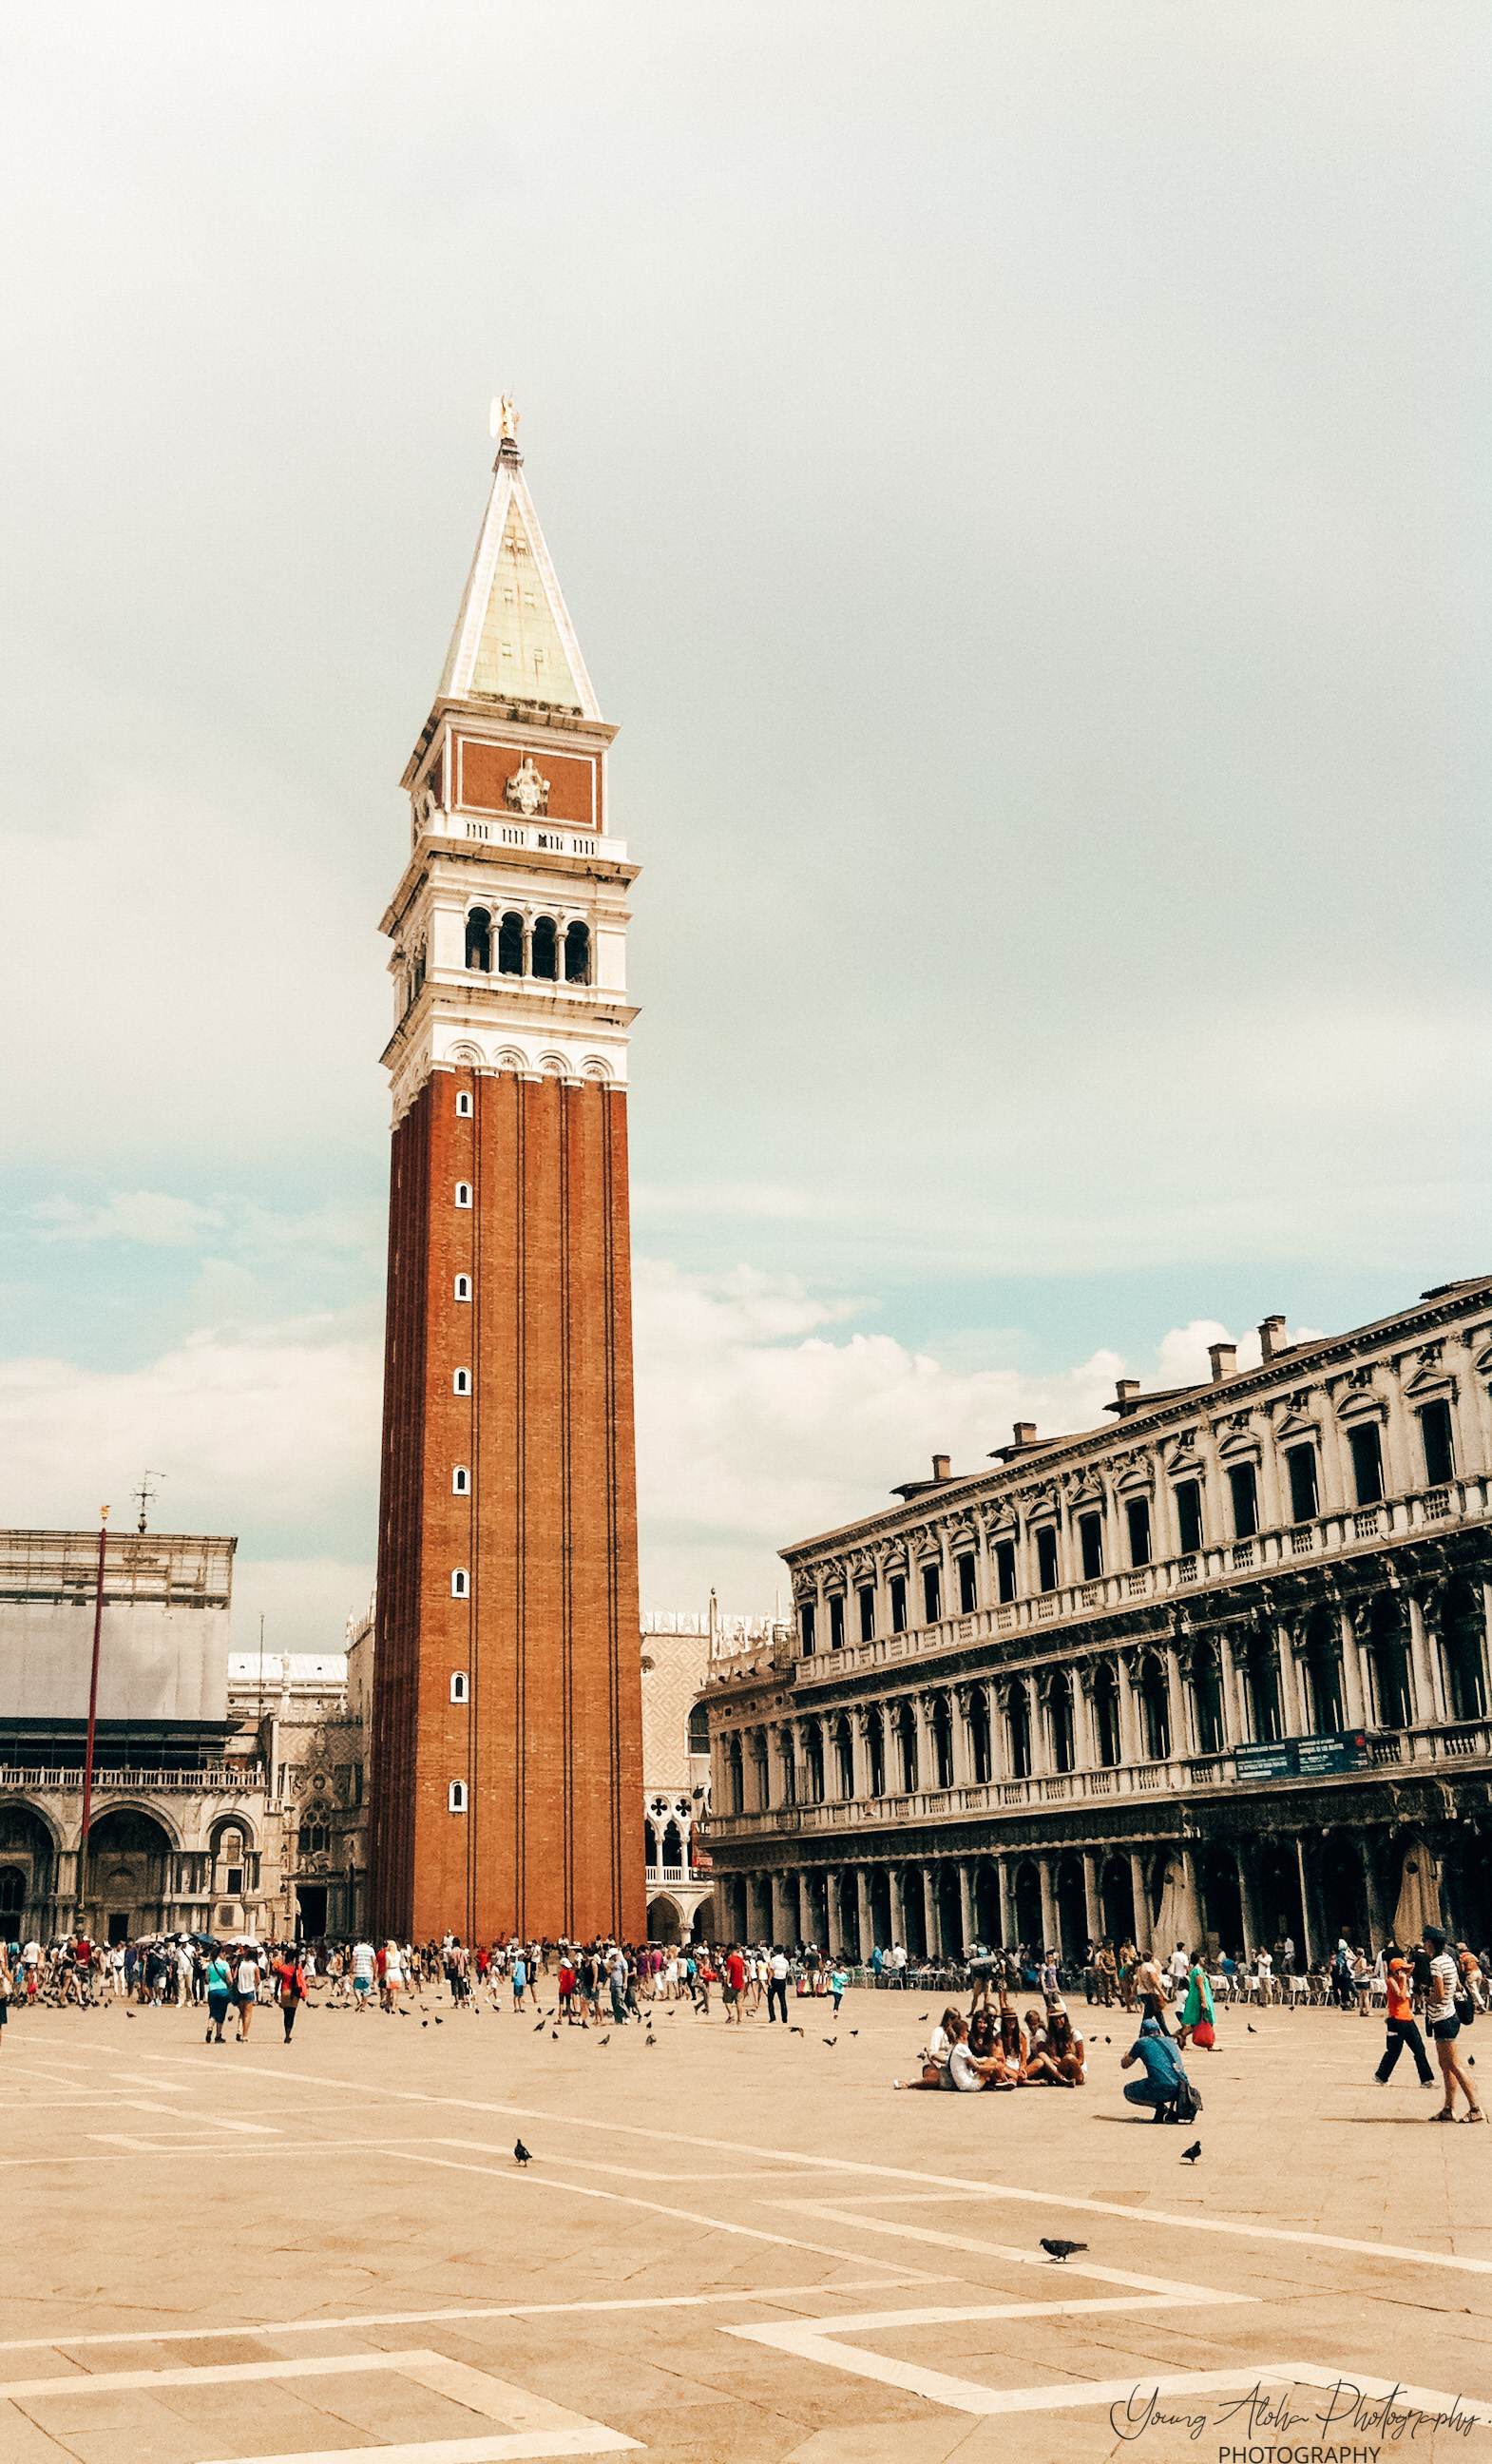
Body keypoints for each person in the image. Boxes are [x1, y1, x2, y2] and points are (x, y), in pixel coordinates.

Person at [1424, 1924, 1482, 2123]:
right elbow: (1453, 1986)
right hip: (1449, 2017)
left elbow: (1439, 1995)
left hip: (1443, 2018)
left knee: (1454, 2065)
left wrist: (1427, 1998)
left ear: (1430, 1943)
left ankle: (1475, 2108)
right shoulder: (1448, 1959)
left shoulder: (1436, 1964)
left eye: (1425, 1941)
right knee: (1446, 2065)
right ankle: (1448, 2108)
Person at [1375, 1946, 1434, 2088]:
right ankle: (1381, 2075)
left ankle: (1426, 2079)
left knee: (1419, 2049)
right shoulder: (1391, 1981)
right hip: (1396, 2020)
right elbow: (1400, 1996)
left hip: (1408, 2019)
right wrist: (1402, 1980)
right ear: (1397, 1971)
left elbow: (1411, 1970)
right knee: (1394, 2050)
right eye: (1403, 1970)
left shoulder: (1405, 1981)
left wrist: (1408, 1970)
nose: (1406, 1973)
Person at [1119, 2015, 1193, 2120]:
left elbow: (1125, 2064)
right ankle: (1171, 2111)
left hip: (1160, 2087)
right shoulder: (1170, 2041)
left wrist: (1126, 2054)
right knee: (1171, 2075)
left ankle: (1160, 2107)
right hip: (1181, 2088)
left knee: (1128, 2091)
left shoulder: (1142, 2042)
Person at [1175, 1955, 1215, 2051]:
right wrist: (1204, 2001)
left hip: (1199, 1999)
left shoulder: (1197, 1970)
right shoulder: (1197, 1971)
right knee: (1207, 2019)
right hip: (1200, 2000)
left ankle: (1181, 2035)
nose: (1204, 1959)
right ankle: (1209, 2044)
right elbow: (1201, 1987)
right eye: (1202, 1958)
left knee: (1196, 2023)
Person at [273, 1946, 306, 2043]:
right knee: (292, 2014)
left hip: (285, 1992)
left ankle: (286, 2034)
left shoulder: (283, 1968)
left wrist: (275, 1994)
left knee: (286, 2014)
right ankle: (289, 2034)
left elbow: (278, 1982)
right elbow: (301, 1981)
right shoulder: (297, 1968)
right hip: (295, 1993)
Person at [204, 1946, 234, 2044]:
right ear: (221, 1953)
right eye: (224, 1953)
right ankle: (218, 2035)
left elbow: (207, 1979)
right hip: (223, 1990)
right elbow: (230, 1979)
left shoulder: (210, 1965)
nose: (225, 1955)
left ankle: (209, 2028)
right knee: (221, 2014)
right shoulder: (225, 1964)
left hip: (212, 1990)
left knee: (213, 2012)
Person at [232, 1944, 259, 2041]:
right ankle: (245, 2035)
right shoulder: (254, 1966)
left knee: (242, 2012)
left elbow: (235, 1977)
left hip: (240, 1990)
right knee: (247, 2014)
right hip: (249, 1991)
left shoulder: (241, 1964)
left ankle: (239, 2030)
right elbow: (258, 1981)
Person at [766, 1946, 790, 2026]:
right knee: (782, 2000)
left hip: (774, 1980)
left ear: (775, 1952)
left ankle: (772, 2017)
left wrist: (769, 1980)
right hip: (782, 1980)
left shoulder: (773, 1960)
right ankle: (784, 2018)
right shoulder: (785, 1961)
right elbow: (787, 1972)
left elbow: (772, 1971)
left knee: (770, 1999)